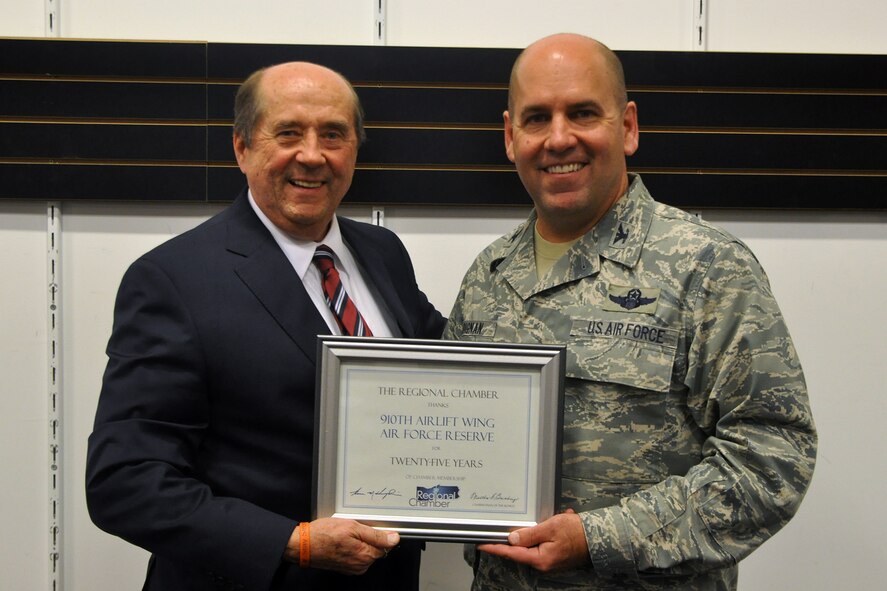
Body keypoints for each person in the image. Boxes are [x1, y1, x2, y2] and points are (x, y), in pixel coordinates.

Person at [444, 33, 816, 590]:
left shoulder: (706, 267)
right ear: (510, 136)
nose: (559, 138)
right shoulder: (488, 274)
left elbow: (774, 456)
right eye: (537, 118)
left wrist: (604, 537)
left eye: (583, 113)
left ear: (628, 127)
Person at [86, 61, 446, 591]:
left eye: (333, 134)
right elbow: (125, 483)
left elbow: (448, 371)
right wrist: (292, 541)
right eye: (288, 133)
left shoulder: (384, 253)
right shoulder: (172, 280)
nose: (312, 154)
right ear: (241, 147)